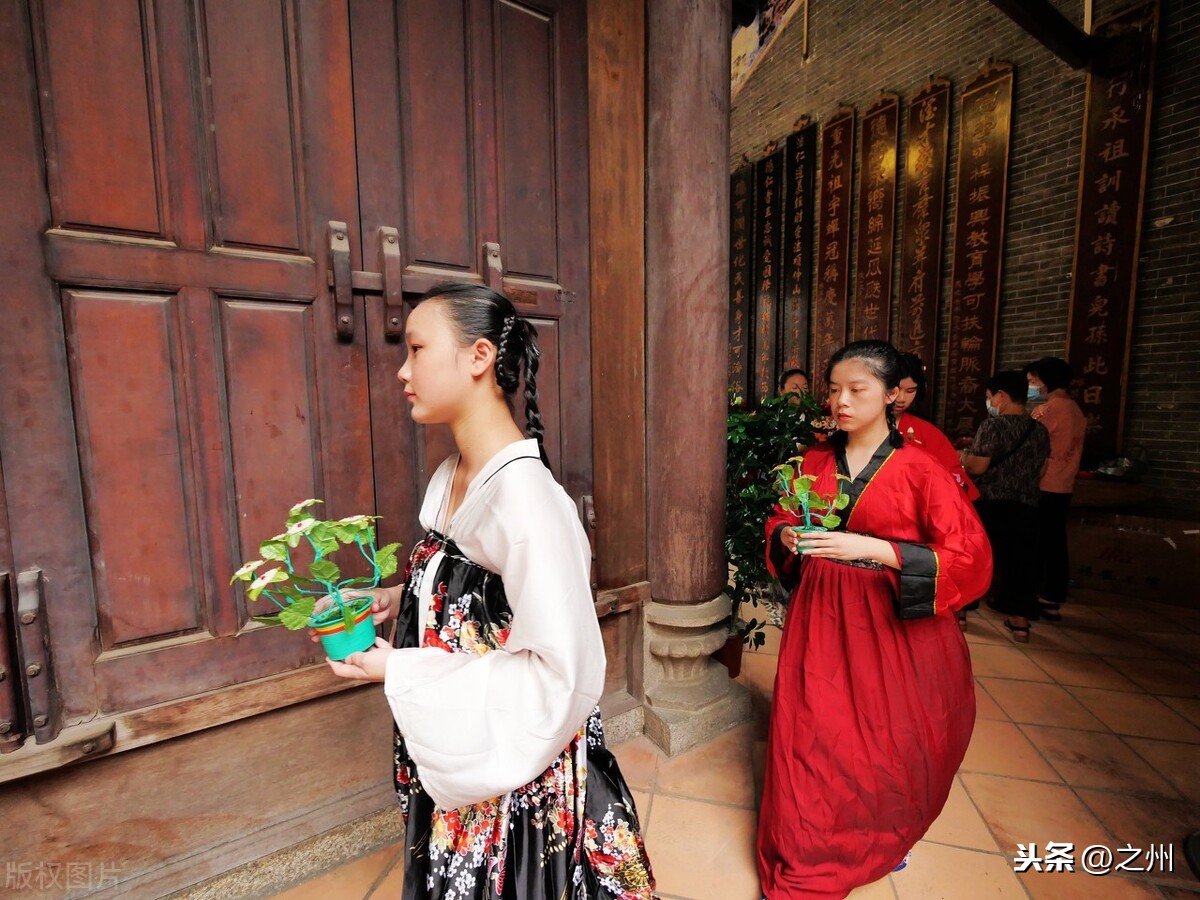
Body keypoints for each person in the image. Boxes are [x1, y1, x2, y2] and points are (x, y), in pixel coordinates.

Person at [320, 283, 655, 898]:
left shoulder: (527, 500)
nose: (402, 370)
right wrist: (402, 597)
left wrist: (399, 668)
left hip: (513, 777)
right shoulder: (455, 475)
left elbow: (560, 672)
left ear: (477, 358)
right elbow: (477, 593)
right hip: (467, 738)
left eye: (417, 349)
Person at [758, 341, 992, 898]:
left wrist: (878, 551)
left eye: (856, 390)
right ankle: (808, 843)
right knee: (814, 730)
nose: (840, 401)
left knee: (885, 739)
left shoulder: (922, 470)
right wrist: (786, 534)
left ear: (891, 396)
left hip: (890, 622)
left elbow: (970, 557)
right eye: (834, 389)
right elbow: (783, 517)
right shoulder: (814, 460)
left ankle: (880, 832)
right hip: (822, 610)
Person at [960, 371, 1050, 642]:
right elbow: (1042, 469)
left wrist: (962, 458)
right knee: (1020, 562)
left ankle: (962, 612)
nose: (990, 402)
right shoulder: (1039, 429)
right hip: (1026, 504)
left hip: (990, 502)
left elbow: (978, 466)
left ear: (1001, 395)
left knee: (978, 557)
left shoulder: (993, 426)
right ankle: (1020, 622)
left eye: (989, 397)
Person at [1024, 357, 1087, 621]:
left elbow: (1029, 447)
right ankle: (1052, 598)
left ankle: (1033, 595)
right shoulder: (1075, 410)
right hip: (1064, 484)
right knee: (1056, 542)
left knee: (1037, 543)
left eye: (1032, 381)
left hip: (1043, 484)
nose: (1031, 386)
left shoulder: (1047, 411)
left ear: (1045, 380)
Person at [893, 352, 979, 502]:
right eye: (896, 389)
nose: (901, 398)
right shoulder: (853, 426)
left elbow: (953, 476)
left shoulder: (927, 432)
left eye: (910, 391)